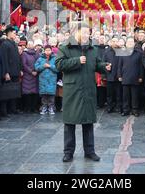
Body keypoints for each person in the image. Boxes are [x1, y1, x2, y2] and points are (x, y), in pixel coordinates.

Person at [55, 22, 111, 163]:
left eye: (88, 33)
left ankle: (90, 151)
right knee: (70, 123)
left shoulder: (92, 49)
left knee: (88, 122)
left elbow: (96, 64)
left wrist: (104, 67)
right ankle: (68, 152)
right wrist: (77, 61)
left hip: (88, 89)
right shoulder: (65, 48)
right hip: (72, 91)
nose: (87, 35)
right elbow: (59, 65)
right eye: (84, 32)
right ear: (76, 32)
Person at [0, 25, 23, 116]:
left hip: (15, 71)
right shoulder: (5, 44)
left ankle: (13, 108)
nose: (15, 34)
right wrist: (6, 72)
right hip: (9, 72)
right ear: (8, 33)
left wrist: (20, 68)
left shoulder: (13, 43)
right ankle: (5, 111)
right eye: (14, 33)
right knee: (6, 92)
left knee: (14, 91)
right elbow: (4, 59)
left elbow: (17, 57)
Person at [118, 38, 144, 117]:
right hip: (125, 77)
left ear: (134, 44)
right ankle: (126, 110)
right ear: (126, 44)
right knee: (125, 96)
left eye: (131, 42)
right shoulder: (122, 53)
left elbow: (141, 66)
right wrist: (119, 75)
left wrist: (141, 76)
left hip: (135, 77)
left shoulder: (139, 53)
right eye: (128, 42)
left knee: (135, 96)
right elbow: (119, 65)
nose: (130, 43)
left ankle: (135, 110)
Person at [35, 45, 58, 115]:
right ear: (44, 51)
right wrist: (43, 66)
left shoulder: (55, 58)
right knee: (44, 95)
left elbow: (58, 68)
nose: (47, 52)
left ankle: (51, 107)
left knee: (51, 95)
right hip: (43, 80)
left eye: (49, 50)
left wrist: (50, 66)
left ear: (51, 51)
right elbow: (36, 67)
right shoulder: (40, 59)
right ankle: (44, 107)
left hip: (51, 80)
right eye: (46, 50)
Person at [103, 36, 122, 114]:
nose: (114, 43)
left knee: (119, 93)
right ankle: (109, 107)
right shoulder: (107, 51)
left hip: (119, 76)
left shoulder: (121, 51)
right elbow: (103, 62)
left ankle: (118, 107)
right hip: (110, 75)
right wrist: (106, 66)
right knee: (109, 94)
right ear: (111, 42)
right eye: (113, 41)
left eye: (116, 41)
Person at [21, 40, 40, 114]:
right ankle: (27, 108)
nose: (30, 46)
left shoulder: (37, 54)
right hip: (27, 75)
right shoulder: (24, 54)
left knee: (35, 93)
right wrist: (31, 71)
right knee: (27, 93)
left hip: (36, 75)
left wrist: (36, 71)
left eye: (31, 44)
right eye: (29, 44)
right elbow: (24, 64)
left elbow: (39, 62)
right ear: (27, 45)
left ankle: (34, 107)